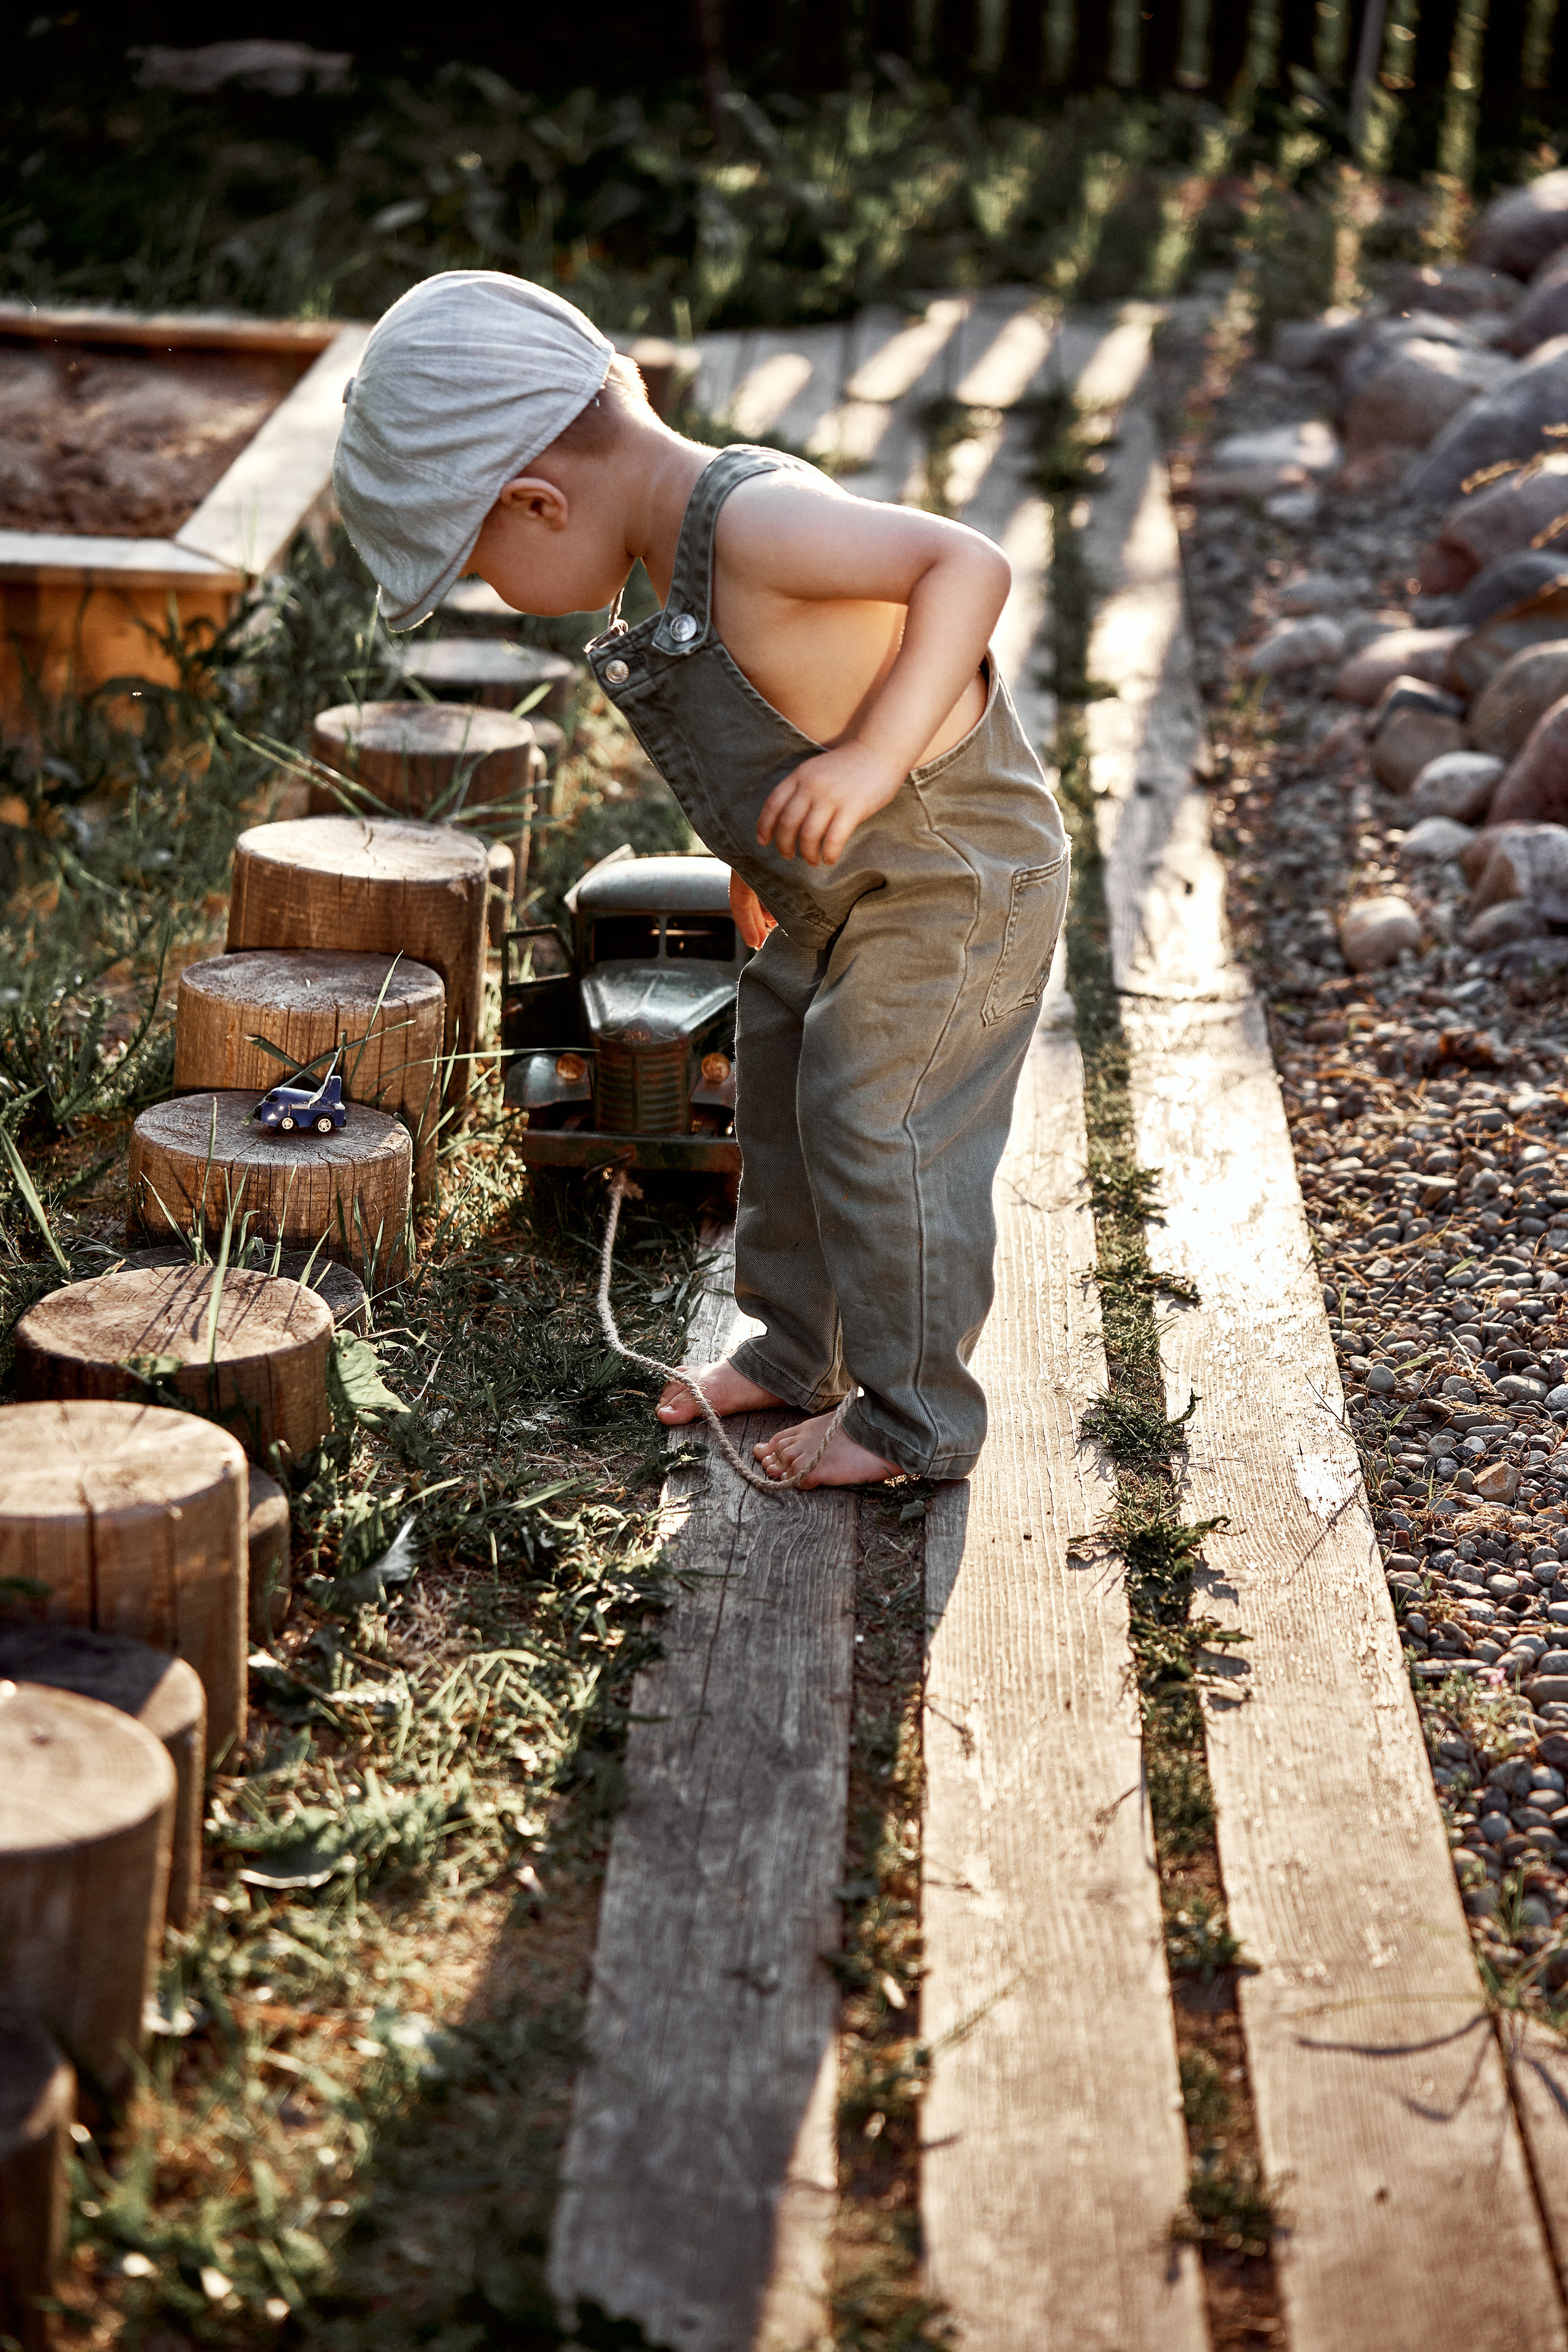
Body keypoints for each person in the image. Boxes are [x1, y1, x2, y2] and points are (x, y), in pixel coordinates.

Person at [335, 270, 1069, 1488]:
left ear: (538, 502)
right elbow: (775, 712)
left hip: (952, 873)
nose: (495, 592)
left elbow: (965, 564)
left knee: (875, 1120)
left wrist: (872, 753)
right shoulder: (680, 547)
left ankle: (914, 1422)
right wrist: (763, 868)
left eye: (478, 564)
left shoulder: (750, 522)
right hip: (841, 890)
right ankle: (796, 1355)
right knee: (779, 1097)